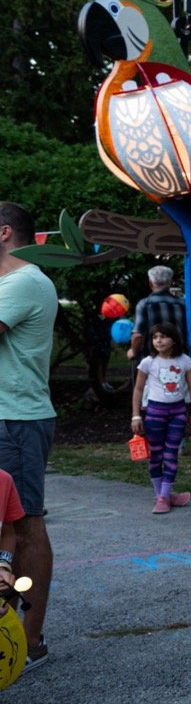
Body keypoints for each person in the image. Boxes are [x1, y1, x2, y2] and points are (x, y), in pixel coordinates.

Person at [0, 202, 56, 671]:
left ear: (3, 233)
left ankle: (28, 642)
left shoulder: (26, 282)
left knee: (24, 525)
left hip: (15, 421)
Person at [130, 322, 191, 514]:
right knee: (156, 455)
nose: (158, 341)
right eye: (154, 337)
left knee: (171, 455)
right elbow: (137, 389)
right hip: (155, 413)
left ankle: (164, 496)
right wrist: (136, 415)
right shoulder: (148, 363)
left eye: (163, 337)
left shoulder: (184, 360)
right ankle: (162, 495)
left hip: (177, 412)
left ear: (174, 340)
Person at [128, 265, 187, 368]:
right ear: (170, 282)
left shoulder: (144, 304)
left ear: (150, 283)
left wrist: (133, 351)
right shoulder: (182, 304)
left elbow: (138, 335)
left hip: (152, 360)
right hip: (179, 360)